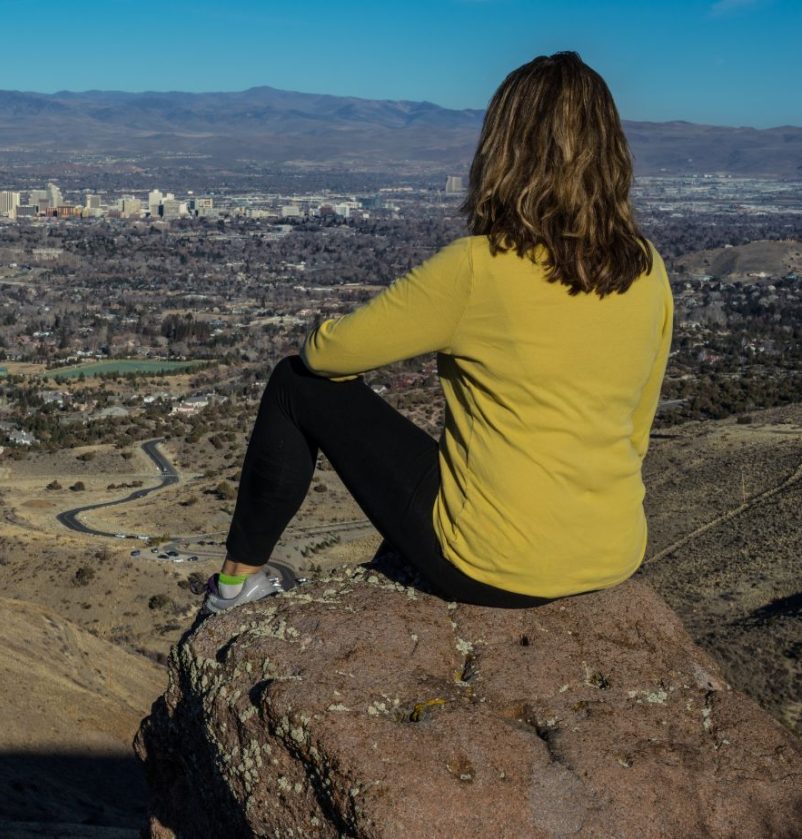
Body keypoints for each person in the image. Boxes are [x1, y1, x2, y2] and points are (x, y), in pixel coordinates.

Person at [204, 51, 673, 614]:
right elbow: (638, 424)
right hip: (613, 551)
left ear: (505, 147)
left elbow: (330, 355)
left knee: (295, 383)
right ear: (609, 150)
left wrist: (325, 329)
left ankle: (235, 585)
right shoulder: (645, 266)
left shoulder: (482, 265)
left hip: (493, 563)